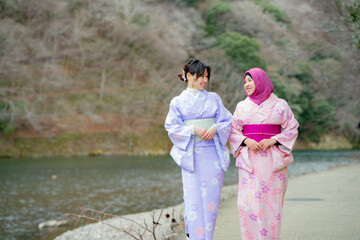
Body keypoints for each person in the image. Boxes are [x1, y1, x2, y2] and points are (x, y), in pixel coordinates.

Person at [164, 59, 232, 240]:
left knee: (211, 200)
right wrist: (192, 129)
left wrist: (216, 128)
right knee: (193, 202)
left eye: (207, 77)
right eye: (201, 76)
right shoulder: (177, 102)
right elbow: (171, 127)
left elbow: (227, 120)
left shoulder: (214, 98)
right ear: (188, 76)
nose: (205, 80)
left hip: (212, 153)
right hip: (191, 155)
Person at [229, 68, 299, 240]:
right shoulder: (241, 106)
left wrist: (273, 140)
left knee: (271, 207)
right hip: (249, 160)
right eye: (245, 81)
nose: (247, 84)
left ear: (261, 81)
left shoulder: (280, 104)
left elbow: (292, 127)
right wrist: (246, 141)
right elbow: (232, 130)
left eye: (250, 80)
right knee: (247, 205)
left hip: (272, 160)